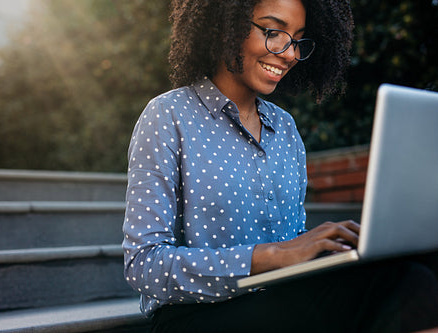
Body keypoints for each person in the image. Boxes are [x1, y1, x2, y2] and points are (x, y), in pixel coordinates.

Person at [122, 0, 438, 332]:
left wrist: (327, 251)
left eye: (297, 39)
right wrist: (271, 256)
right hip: (196, 315)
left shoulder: (284, 128)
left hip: (280, 300)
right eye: (273, 32)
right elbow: (144, 266)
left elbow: (291, 241)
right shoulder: (168, 116)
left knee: (418, 267)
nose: (289, 53)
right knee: (405, 285)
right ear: (224, 25)